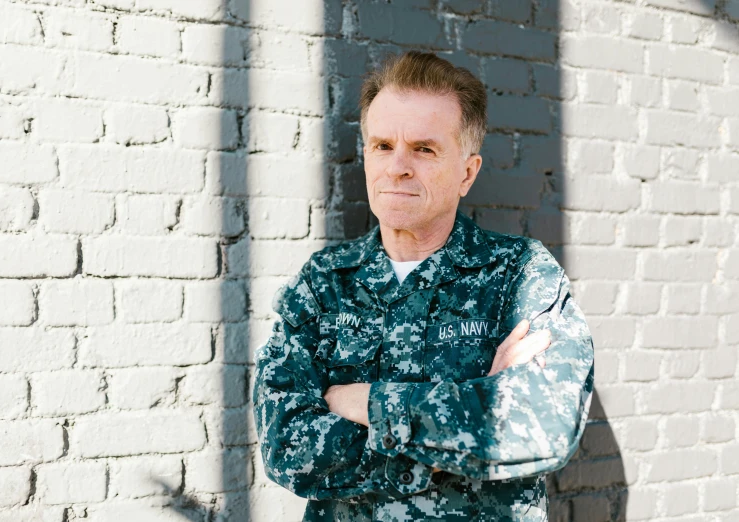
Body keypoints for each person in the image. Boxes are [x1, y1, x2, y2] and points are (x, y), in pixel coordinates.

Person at [252, 50, 594, 521]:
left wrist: (358, 401)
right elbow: (286, 445)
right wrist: (471, 405)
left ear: (467, 174)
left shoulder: (520, 274)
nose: (398, 167)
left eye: (424, 149)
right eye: (382, 145)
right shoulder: (323, 283)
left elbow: (541, 427)